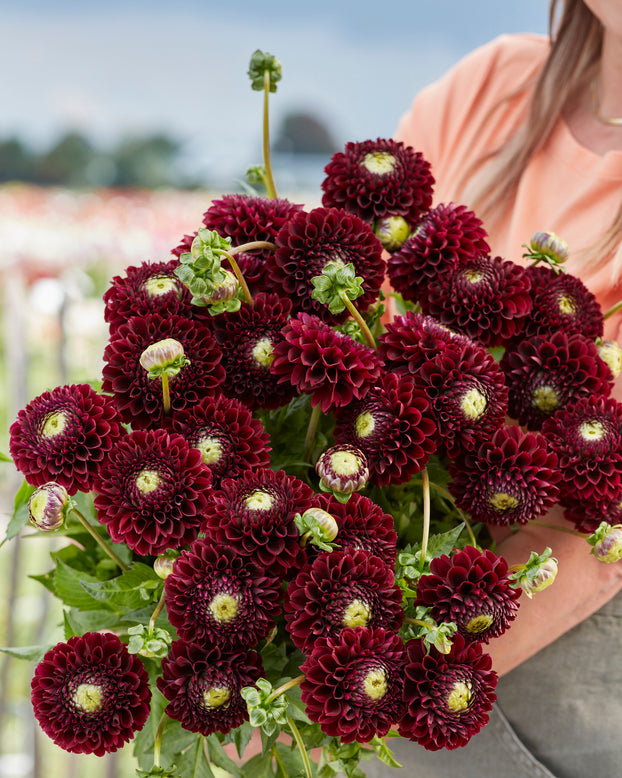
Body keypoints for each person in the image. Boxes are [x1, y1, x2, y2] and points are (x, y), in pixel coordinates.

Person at [365, 2, 622, 776]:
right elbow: (334, 332)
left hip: (544, 696)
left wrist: (345, 698)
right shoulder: (493, 86)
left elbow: (600, 530)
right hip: (395, 661)